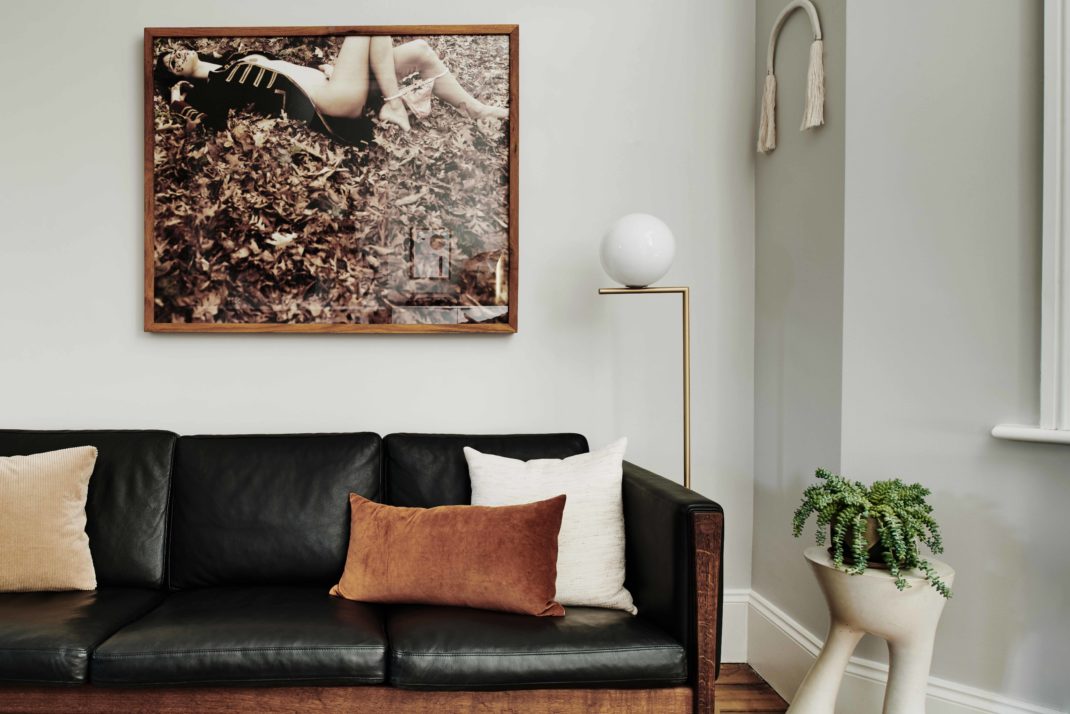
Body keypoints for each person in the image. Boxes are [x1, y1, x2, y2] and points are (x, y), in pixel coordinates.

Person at [154, 36, 508, 145]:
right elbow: (205, 124)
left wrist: (322, 68)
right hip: (331, 101)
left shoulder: (238, 57)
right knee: (365, 29)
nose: (177, 55)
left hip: (333, 82)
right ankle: (395, 103)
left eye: (175, 50)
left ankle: (476, 110)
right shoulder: (211, 89)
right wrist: (177, 102)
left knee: (419, 51)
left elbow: (288, 70)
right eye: (171, 62)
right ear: (176, 77)